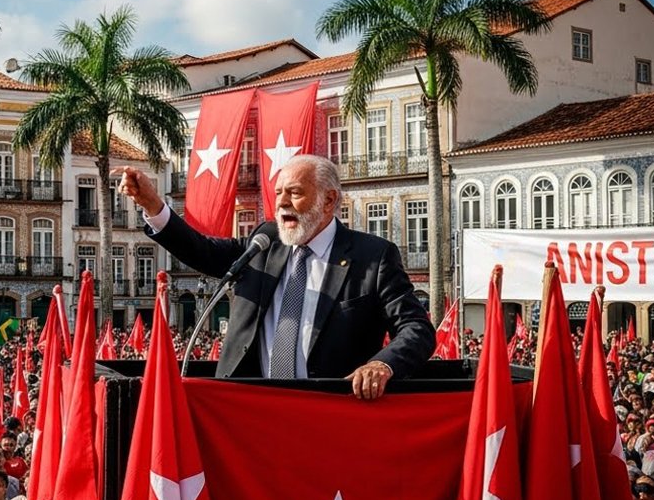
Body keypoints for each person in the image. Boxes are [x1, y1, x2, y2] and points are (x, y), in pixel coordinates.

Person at [115, 155, 434, 394]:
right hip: (250, 407)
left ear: (328, 201)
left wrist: (383, 364)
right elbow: (204, 251)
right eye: (278, 192)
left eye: (294, 192)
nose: (281, 203)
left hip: (329, 412)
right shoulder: (264, 242)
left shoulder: (372, 257)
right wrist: (155, 207)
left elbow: (416, 327)